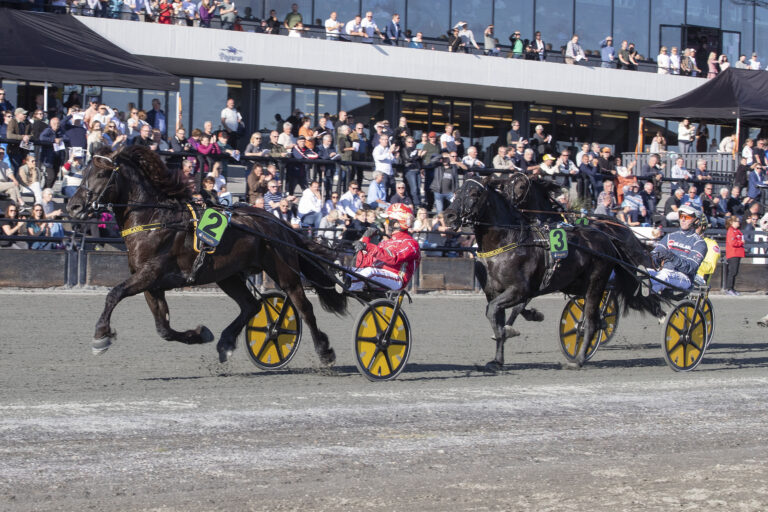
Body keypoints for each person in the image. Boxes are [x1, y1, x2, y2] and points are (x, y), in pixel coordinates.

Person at [341, 203, 421, 292]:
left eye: (387, 221)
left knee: (371, 273)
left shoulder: (411, 243)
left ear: (397, 224)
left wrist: (367, 247)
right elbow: (364, 263)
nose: (385, 224)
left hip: (397, 279)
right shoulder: (385, 243)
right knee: (345, 270)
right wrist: (366, 239)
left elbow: (394, 257)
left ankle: (346, 286)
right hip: (379, 274)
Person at [646, 205, 707, 295]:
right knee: (645, 272)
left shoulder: (699, 243)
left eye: (687, 217)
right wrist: (648, 256)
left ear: (696, 221)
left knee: (664, 276)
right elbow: (654, 256)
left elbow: (690, 268)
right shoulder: (670, 236)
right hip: (664, 272)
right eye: (681, 216)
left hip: (684, 278)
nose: (683, 219)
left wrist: (670, 256)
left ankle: (647, 297)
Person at [724, 215, 745, 296]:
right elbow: (732, 243)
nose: (738, 223)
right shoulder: (731, 231)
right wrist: (741, 242)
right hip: (733, 254)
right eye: (737, 221)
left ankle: (732, 288)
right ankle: (729, 288)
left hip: (737, 253)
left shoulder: (737, 231)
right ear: (732, 222)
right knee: (732, 272)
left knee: (734, 272)